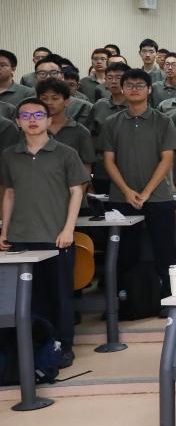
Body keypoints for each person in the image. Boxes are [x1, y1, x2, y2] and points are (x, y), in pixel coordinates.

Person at [0, 98, 87, 366]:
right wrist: (4, 229)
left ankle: (63, 346)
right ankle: (34, 348)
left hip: (56, 237)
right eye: (26, 115)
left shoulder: (66, 153)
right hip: (20, 238)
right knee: (27, 298)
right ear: (18, 122)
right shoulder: (9, 155)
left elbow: (76, 192)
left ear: (49, 120)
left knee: (60, 296)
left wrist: (69, 229)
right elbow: (9, 193)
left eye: (38, 115)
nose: (32, 120)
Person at [99, 69, 176, 304]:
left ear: (149, 89)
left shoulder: (162, 121)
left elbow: (167, 159)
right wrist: (127, 191)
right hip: (121, 198)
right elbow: (108, 161)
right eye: (129, 85)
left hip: (158, 196)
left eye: (139, 85)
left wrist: (146, 192)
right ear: (122, 89)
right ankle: (125, 302)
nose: (134, 89)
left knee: (165, 252)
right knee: (124, 253)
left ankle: (168, 300)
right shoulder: (111, 122)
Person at [37, 79, 93, 180]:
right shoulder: (31, 130)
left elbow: (86, 166)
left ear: (67, 101)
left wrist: (81, 188)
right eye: (44, 98)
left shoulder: (81, 132)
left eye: (55, 98)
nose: (49, 102)